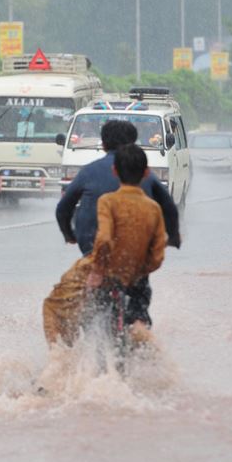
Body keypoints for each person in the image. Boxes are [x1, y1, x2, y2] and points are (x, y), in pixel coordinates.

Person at [43, 120, 179, 346]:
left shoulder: (91, 175)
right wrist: (173, 239)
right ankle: (144, 342)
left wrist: (69, 235)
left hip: (96, 262)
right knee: (138, 317)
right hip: (136, 267)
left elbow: (63, 209)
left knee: (55, 309)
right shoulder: (148, 178)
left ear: (104, 144)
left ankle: (62, 363)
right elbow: (170, 210)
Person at [84, 144, 168, 345]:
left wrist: (97, 270)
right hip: (138, 279)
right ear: (146, 173)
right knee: (138, 323)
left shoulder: (108, 201)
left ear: (115, 171)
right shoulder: (154, 208)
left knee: (97, 323)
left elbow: (103, 239)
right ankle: (142, 337)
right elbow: (158, 255)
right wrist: (140, 270)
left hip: (110, 277)